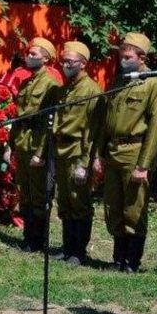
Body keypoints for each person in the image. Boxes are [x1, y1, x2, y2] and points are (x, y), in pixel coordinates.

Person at [93, 32, 157, 273]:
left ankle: (132, 261)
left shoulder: (154, 84)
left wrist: (144, 164)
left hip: (135, 151)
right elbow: (107, 121)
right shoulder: (119, 82)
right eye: (121, 54)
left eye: (127, 55)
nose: (122, 59)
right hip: (114, 150)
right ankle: (117, 258)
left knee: (134, 208)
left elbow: (156, 127)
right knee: (113, 206)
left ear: (142, 57)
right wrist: (99, 154)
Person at [49, 41, 101, 265]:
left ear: (83, 63)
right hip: (62, 149)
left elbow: (94, 129)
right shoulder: (66, 88)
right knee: (65, 201)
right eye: (64, 61)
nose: (65, 64)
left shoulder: (91, 90)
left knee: (79, 201)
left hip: (78, 150)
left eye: (70, 61)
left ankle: (79, 251)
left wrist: (86, 162)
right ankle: (67, 246)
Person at [12, 37, 61, 252]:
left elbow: (50, 123)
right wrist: (10, 145)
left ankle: (38, 239)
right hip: (23, 140)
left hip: (37, 141)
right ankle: (28, 236)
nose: (28, 57)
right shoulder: (26, 81)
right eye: (28, 54)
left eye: (34, 54)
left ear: (46, 58)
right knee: (25, 191)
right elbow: (18, 116)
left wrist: (41, 152)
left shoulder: (51, 84)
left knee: (39, 194)